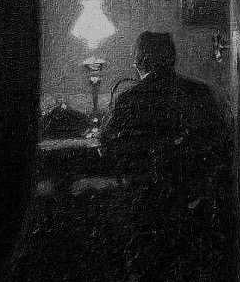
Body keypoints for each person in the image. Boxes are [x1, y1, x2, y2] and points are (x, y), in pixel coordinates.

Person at [100, 31, 233, 282]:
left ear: (140, 61)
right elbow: (220, 143)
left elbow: (107, 146)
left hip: (144, 204)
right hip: (194, 203)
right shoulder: (199, 93)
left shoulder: (128, 98)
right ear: (172, 58)